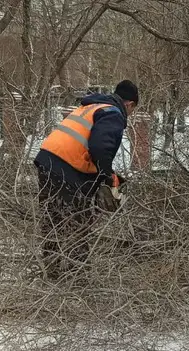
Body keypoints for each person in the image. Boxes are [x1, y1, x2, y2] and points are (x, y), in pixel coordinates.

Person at [34, 80, 139, 276]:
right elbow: (100, 148)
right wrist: (107, 177)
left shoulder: (91, 106)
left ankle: (51, 270)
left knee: (53, 220)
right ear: (130, 104)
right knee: (79, 223)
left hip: (47, 161)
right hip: (67, 168)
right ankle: (78, 276)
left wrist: (104, 176)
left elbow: (87, 147)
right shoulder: (113, 114)